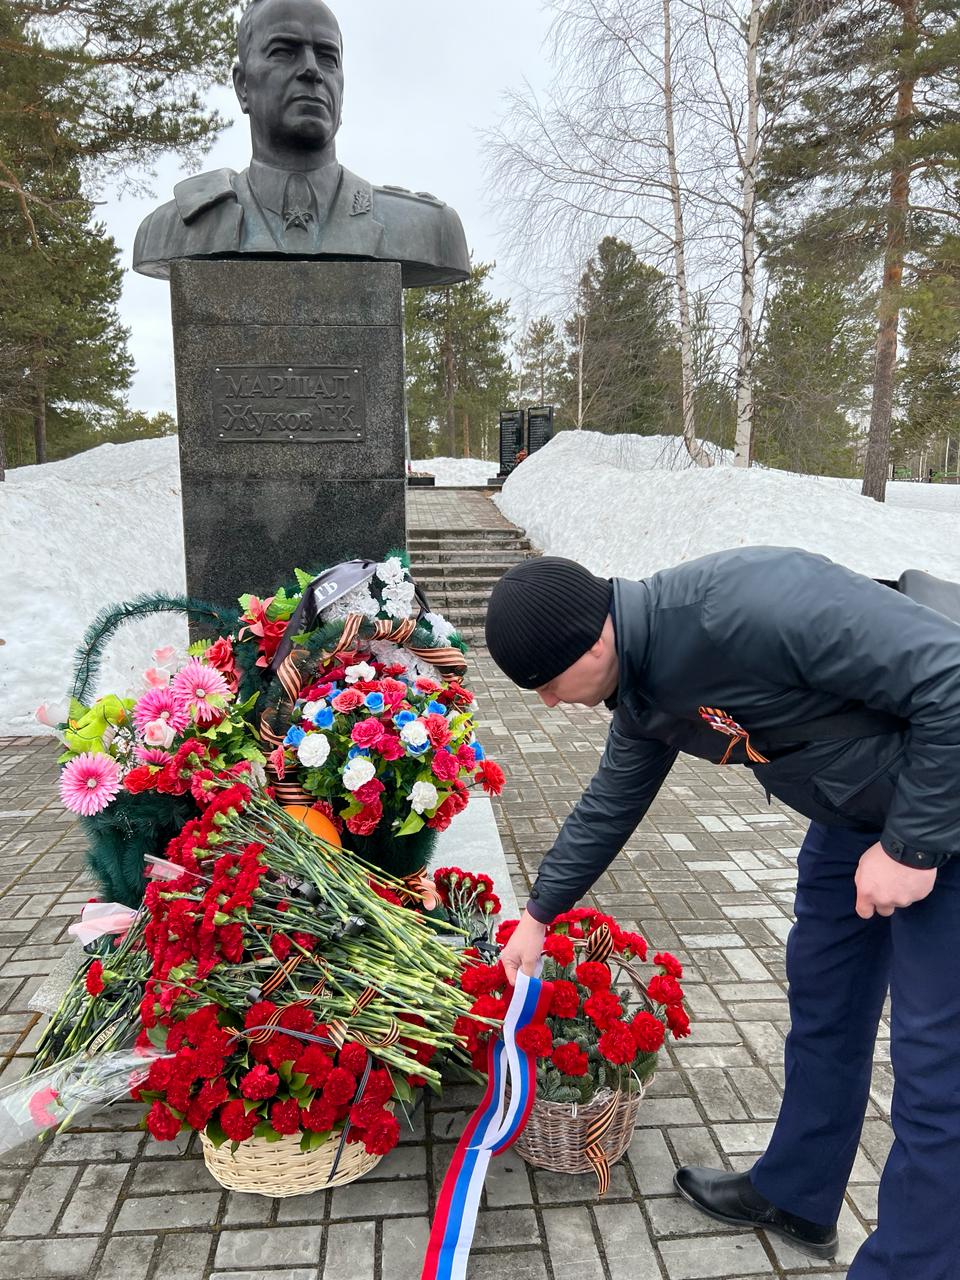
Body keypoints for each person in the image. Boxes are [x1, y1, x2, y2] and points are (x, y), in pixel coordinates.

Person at [484, 548, 960, 1279]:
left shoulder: (748, 605)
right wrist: (539, 915)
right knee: (826, 1007)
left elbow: (951, 676)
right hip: (858, 812)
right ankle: (797, 1194)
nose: (549, 704)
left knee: (937, 1073)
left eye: (548, 684)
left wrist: (911, 849)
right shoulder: (643, 685)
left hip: (940, 800)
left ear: (594, 642)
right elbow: (611, 802)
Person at [133, 0, 469, 285]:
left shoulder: (431, 230)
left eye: (327, 57)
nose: (312, 70)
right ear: (242, 86)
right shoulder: (172, 228)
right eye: (284, 51)